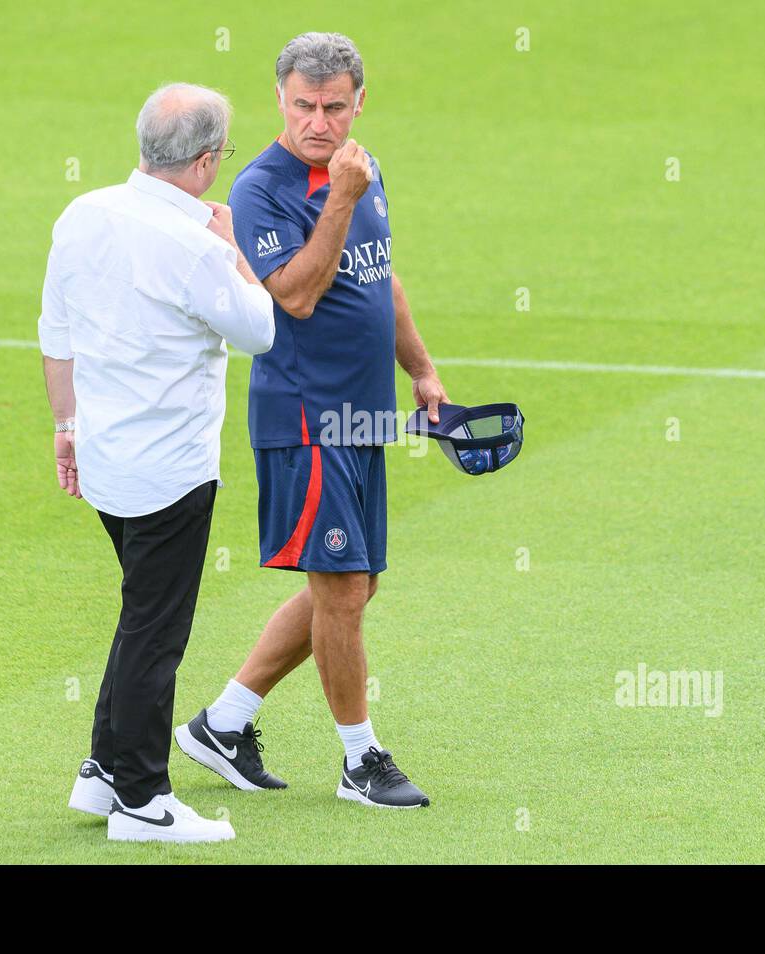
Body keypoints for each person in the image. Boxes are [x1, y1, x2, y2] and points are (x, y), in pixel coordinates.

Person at [175, 33, 448, 809]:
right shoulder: (263, 187)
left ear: (360, 102)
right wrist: (341, 199)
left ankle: (223, 723)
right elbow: (294, 294)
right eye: (304, 106)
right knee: (342, 587)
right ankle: (362, 762)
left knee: (355, 587)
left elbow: (380, 277)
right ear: (280, 101)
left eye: (334, 107)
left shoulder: (361, 168)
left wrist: (421, 370)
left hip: (363, 415)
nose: (318, 123)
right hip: (306, 415)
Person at [39, 83, 275, 842]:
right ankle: (143, 801)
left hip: (104, 458)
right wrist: (234, 246)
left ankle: (104, 772)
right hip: (170, 472)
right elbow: (260, 328)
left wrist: (66, 428)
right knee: (155, 631)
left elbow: (55, 333)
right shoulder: (199, 246)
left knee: (139, 611)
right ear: (205, 162)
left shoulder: (81, 214)